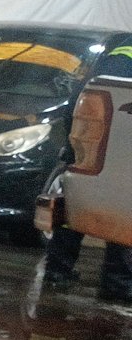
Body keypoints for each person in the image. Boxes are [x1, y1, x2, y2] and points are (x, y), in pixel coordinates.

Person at [43, 41, 132, 303]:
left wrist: (74, 145)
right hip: (116, 149)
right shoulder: (123, 60)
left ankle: (58, 270)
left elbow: (81, 99)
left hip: (92, 145)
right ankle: (118, 283)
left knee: (77, 205)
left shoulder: (118, 56)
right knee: (121, 211)